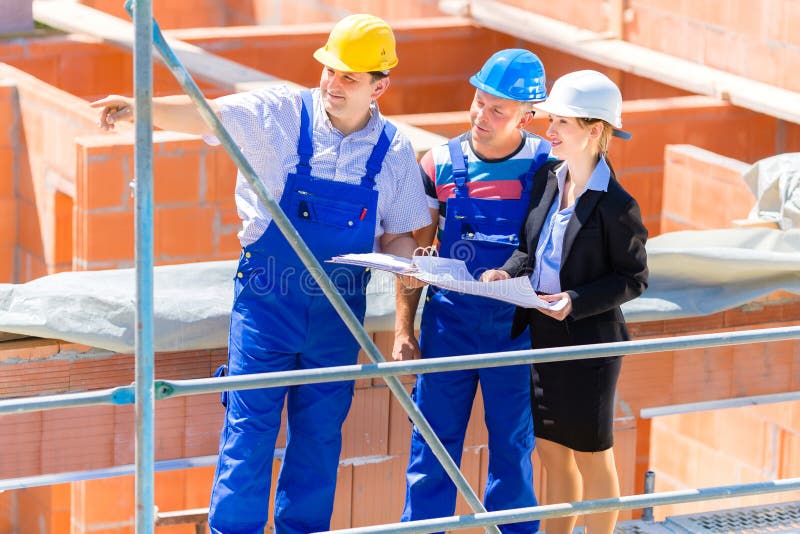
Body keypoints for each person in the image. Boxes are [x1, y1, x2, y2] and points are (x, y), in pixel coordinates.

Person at [92, 14, 430, 534]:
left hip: (339, 317)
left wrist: (408, 259)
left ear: (379, 85)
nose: (332, 84)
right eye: (330, 71)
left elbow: (400, 233)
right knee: (248, 431)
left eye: (349, 78)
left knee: (319, 440)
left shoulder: (394, 151)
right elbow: (208, 116)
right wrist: (142, 107)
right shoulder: (277, 114)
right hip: (267, 305)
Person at [481, 70, 649, 534]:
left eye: (562, 125)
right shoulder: (547, 181)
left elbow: (633, 278)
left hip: (590, 345)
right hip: (545, 335)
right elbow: (529, 251)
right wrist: (507, 273)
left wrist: (574, 300)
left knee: (592, 455)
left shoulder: (618, 205)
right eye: (551, 121)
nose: (548, 132)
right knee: (552, 451)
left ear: (595, 131)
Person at [394, 49, 552, 533]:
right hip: (448, 327)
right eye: (479, 102)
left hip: (519, 330)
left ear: (528, 115)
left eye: (498, 110)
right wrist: (404, 330)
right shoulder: (438, 163)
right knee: (432, 449)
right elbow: (415, 257)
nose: (482, 116)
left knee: (512, 448)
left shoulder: (550, 164)